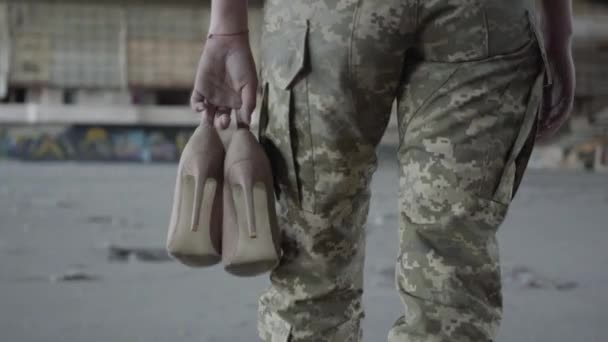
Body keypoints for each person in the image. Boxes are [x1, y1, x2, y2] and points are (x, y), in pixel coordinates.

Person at [191, 0, 575, 341]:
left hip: (327, 19)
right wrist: (560, 30)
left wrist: (227, 27)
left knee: (311, 264)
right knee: (451, 279)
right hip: (483, 20)